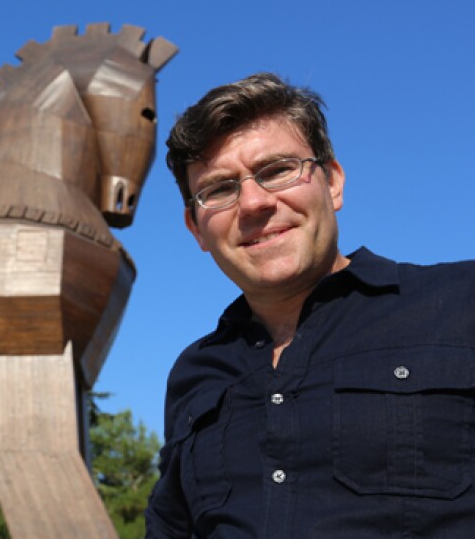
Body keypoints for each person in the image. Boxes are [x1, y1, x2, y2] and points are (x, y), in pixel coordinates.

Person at [145, 72, 475, 538]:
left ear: (333, 183)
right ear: (196, 229)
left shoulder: (461, 303)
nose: (254, 203)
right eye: (219, 190)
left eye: (277, 170)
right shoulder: (195, 372)